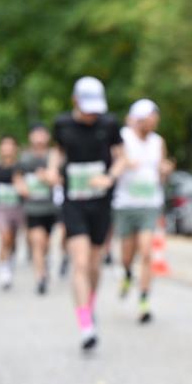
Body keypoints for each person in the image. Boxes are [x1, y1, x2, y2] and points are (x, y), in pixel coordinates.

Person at [47, 77, 126, 350]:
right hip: (74, 201)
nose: (92, 115)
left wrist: (110, 177)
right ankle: (85, 326)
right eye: (87, 108)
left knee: (94, 264)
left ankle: (89, 306)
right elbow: (57, 153)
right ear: (75, 101)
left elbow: (122, 157)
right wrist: (52, 171)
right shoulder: (62, 124)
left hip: (100, 203)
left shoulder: (109, 124)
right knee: (79, 263)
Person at [113, 99, 174, 323]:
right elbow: (116, 161)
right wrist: (124, 161)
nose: (153, 124)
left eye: (155, 120)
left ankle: (144, 300)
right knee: (127, 255)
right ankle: (128, 273)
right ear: (139, 119)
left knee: (147, 251)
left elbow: (162, 171)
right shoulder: (123, 138)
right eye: (150, 119)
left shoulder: (158, 142)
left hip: (150, 203)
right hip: (126, 204)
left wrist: (165, 170)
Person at [16, 123, 58, 295]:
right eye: (36, 134)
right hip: (32, 208)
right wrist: (22, 188)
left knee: (46, 243)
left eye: (42, 134)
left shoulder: (54, 156)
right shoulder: (25, 159)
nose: (39, 138)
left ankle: (45, 263)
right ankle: (40, 277)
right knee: (37, 242)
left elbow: (59, 179)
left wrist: (47, 178)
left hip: (51, 208)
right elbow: (17, 178)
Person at [0, 135, 25, 290]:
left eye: (10, 145)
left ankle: (10, 260)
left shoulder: (20, 167)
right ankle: (4, 268)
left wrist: (19, 184)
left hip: (17, 208)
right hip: (1, 208)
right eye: (4, 145)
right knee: (5, 237)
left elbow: (24, 187)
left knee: (13, 240)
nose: (7, 148)